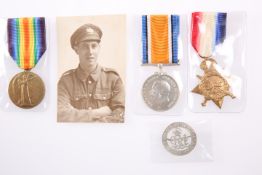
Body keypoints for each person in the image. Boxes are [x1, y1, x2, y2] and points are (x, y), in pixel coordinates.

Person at [57, 23, 125, 122]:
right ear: (77, 50)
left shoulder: (113, 79)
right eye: (85, 47)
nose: (90, 52)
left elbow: (121, 113)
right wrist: (96, 113)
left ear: (99, 48)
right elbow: (60, 114)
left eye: (94, 46)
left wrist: (95, 125)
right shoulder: (66, 81)